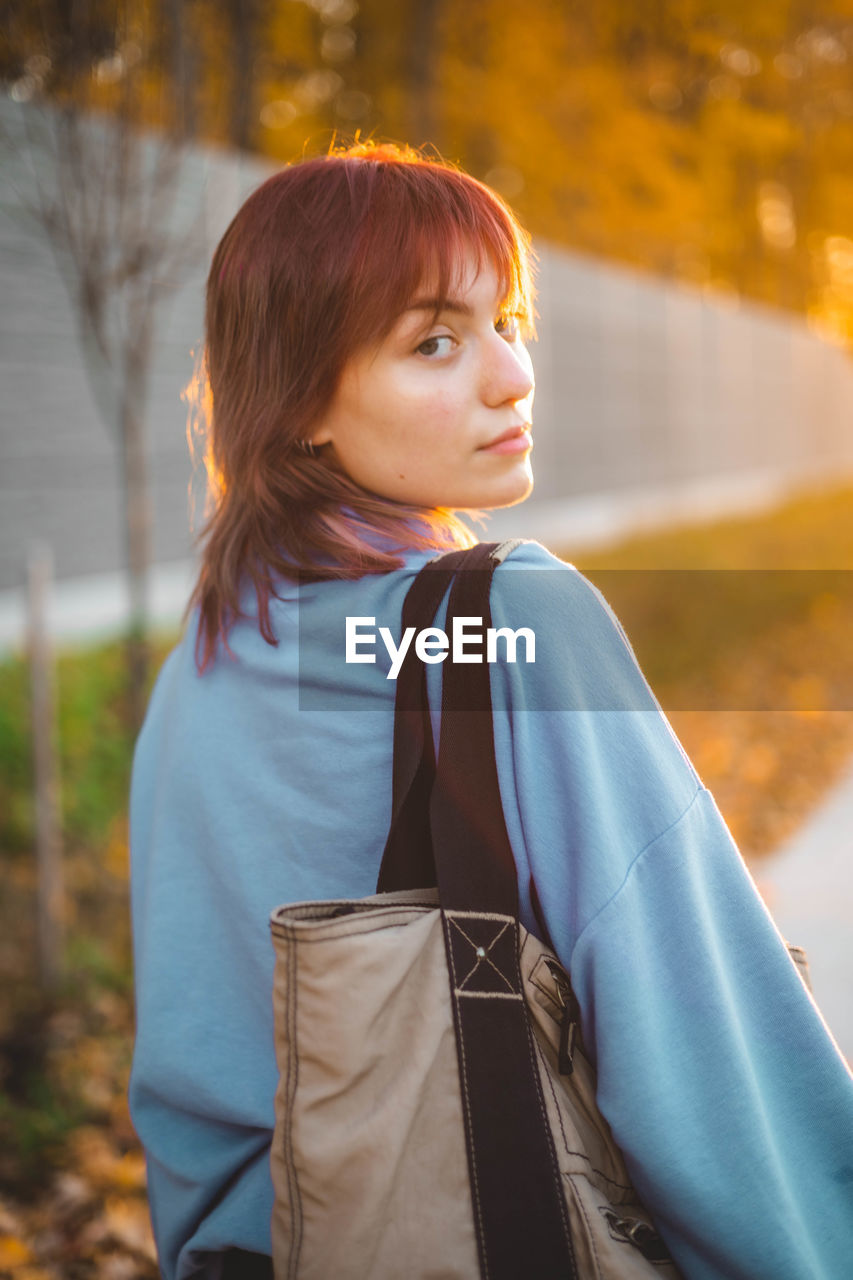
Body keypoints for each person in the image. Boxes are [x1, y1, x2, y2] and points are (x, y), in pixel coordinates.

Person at [128, 142, 853, 1280]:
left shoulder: (205, 660)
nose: (511, 374)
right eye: (434, 341)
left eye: (506, 318)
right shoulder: (510, 617)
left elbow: (190, 1075)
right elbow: (700, 1049)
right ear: (302, 402)